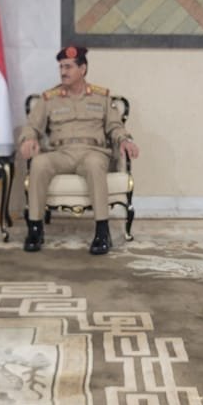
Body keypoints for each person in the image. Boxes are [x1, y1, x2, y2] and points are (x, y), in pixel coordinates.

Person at [20, 45, 138, 255]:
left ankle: (102, 232)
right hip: (61, 153)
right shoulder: (49, 99)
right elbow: (32, 126)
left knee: (94, 164)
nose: (63, 71)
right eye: (61, 67)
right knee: (39, 163)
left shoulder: (101, 97)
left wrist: (125, 140)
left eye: (68, 67)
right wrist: (28, 139)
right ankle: (35, 229)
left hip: (92, 152)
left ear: (82, 69)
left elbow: (115, 127)